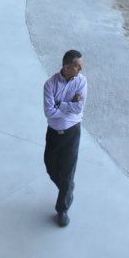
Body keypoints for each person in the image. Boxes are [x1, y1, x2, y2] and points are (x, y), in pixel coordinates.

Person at [42, 49, 86, 227]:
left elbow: (79, 108)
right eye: (77, 66)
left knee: (68, 171)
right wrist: (70, 105)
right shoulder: (50, 85)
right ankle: (67, 188)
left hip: (72, 132)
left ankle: (62, 209)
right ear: (67, 67)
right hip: (54, 132)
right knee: (50, 166)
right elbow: (49, 112)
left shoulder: (81, 82)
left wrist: (60, 104)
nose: (80, 70)